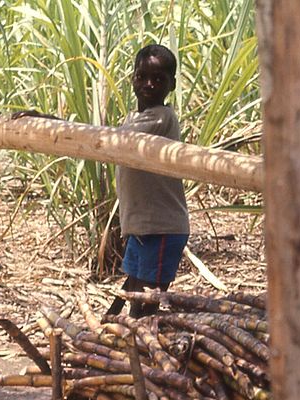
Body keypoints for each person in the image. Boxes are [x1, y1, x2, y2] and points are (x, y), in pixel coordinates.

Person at [14, 44, 190, 318]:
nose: (149, 84)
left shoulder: (162, 117)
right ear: (133, 78)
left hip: (162, 227)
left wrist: (51, 122)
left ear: (172, 85)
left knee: (147, 302)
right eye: (142, 76)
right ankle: (122, 329)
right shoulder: (135, 118)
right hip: (142, 225)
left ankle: (142, 347)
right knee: (134, 292)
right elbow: (109, 136)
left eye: (158, 79)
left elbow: (107, 140)